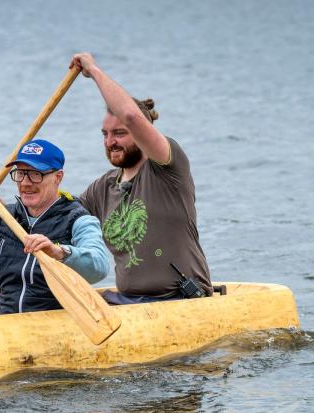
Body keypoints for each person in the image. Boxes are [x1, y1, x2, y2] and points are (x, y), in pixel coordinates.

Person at [71, 52, 213, 304]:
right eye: (105, 134)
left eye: (119, 133)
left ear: (142, 134)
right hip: (127, 301)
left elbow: (131, 116)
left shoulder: (168, 167)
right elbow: (56, 215)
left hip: (179, 300)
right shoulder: (102, 188)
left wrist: (93, 70)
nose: (110, 142)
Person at [0, 138, 112, 314]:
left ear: (58, 177)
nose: (25, 183)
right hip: (7, 323)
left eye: (36, 174)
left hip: (58, 326)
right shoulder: (3, 218)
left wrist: (57, 252)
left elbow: (99, 266)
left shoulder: (78, 219)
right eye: (21, 173)